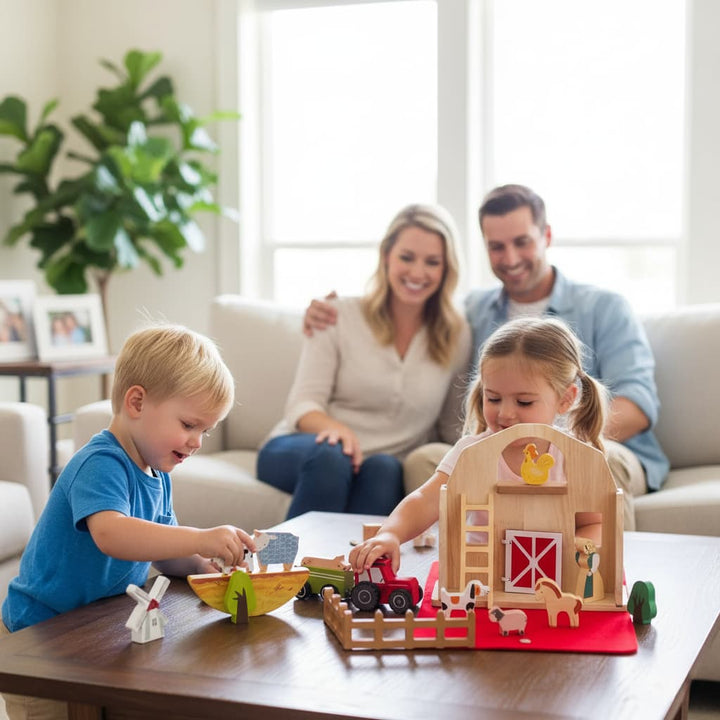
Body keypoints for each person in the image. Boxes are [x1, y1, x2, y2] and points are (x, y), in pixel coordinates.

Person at [304, 184, 669, 531]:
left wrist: (555, 441)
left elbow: (637, 404)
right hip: (501, 445)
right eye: (497, 247)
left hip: (600, 444)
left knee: (599, 464)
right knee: (424, 459)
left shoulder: (603, 307)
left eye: (522, 242)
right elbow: (419, 309)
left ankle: (606, 580)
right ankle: (461, 571)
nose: (510, 258)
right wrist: (330, 309)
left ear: (547, 236)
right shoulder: (473, 311)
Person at [1, 323, 256, 720]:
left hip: (93, 626)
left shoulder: (158, 474)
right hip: (40, 632)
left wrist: (200, 564)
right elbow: (113, 535)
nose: (197, 441)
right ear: (136, 402)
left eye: (206, 430)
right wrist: (200, 536)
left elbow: (163, 550)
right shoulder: (100, 462)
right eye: (189, 425)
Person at [257, 203, 472, 519]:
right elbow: (302, 405)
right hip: (308, 448)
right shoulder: (337, 314)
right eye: (406, 257)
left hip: (380, 463)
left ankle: (354, 570)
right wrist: (336, 430)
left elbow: (452, 426)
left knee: (385, 470)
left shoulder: (456, 334)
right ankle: (281, 564)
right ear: (386, 256)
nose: (417, 272)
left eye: (432, 262)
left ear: (446, 269)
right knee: (333, 459)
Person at [348, 315, 609, 572]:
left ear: (565, 399)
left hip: (550, 580)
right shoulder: (470, 452)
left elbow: (593, 524)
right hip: (479, 580)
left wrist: (572, 554)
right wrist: (390, 534)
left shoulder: (574, 457)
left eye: (524, 402)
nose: (505, 413)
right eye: (493, 398)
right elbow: (426, 500)